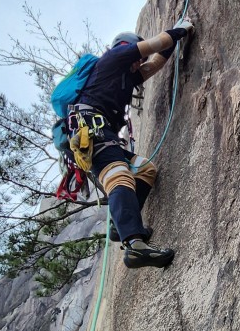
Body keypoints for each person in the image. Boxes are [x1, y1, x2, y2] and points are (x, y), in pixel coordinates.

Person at [70, 18, 194, 268]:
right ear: (125, 47)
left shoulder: (126, 77)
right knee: (119, 176)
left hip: (102, 134)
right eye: (135, 57)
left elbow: (155, 62)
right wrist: (180, 28)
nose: (138, 63)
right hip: (92, 130)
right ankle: (134, 245)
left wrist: (175, 41)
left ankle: (121, 224)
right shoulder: (113, 58)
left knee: (145, 170)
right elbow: (152, 46)